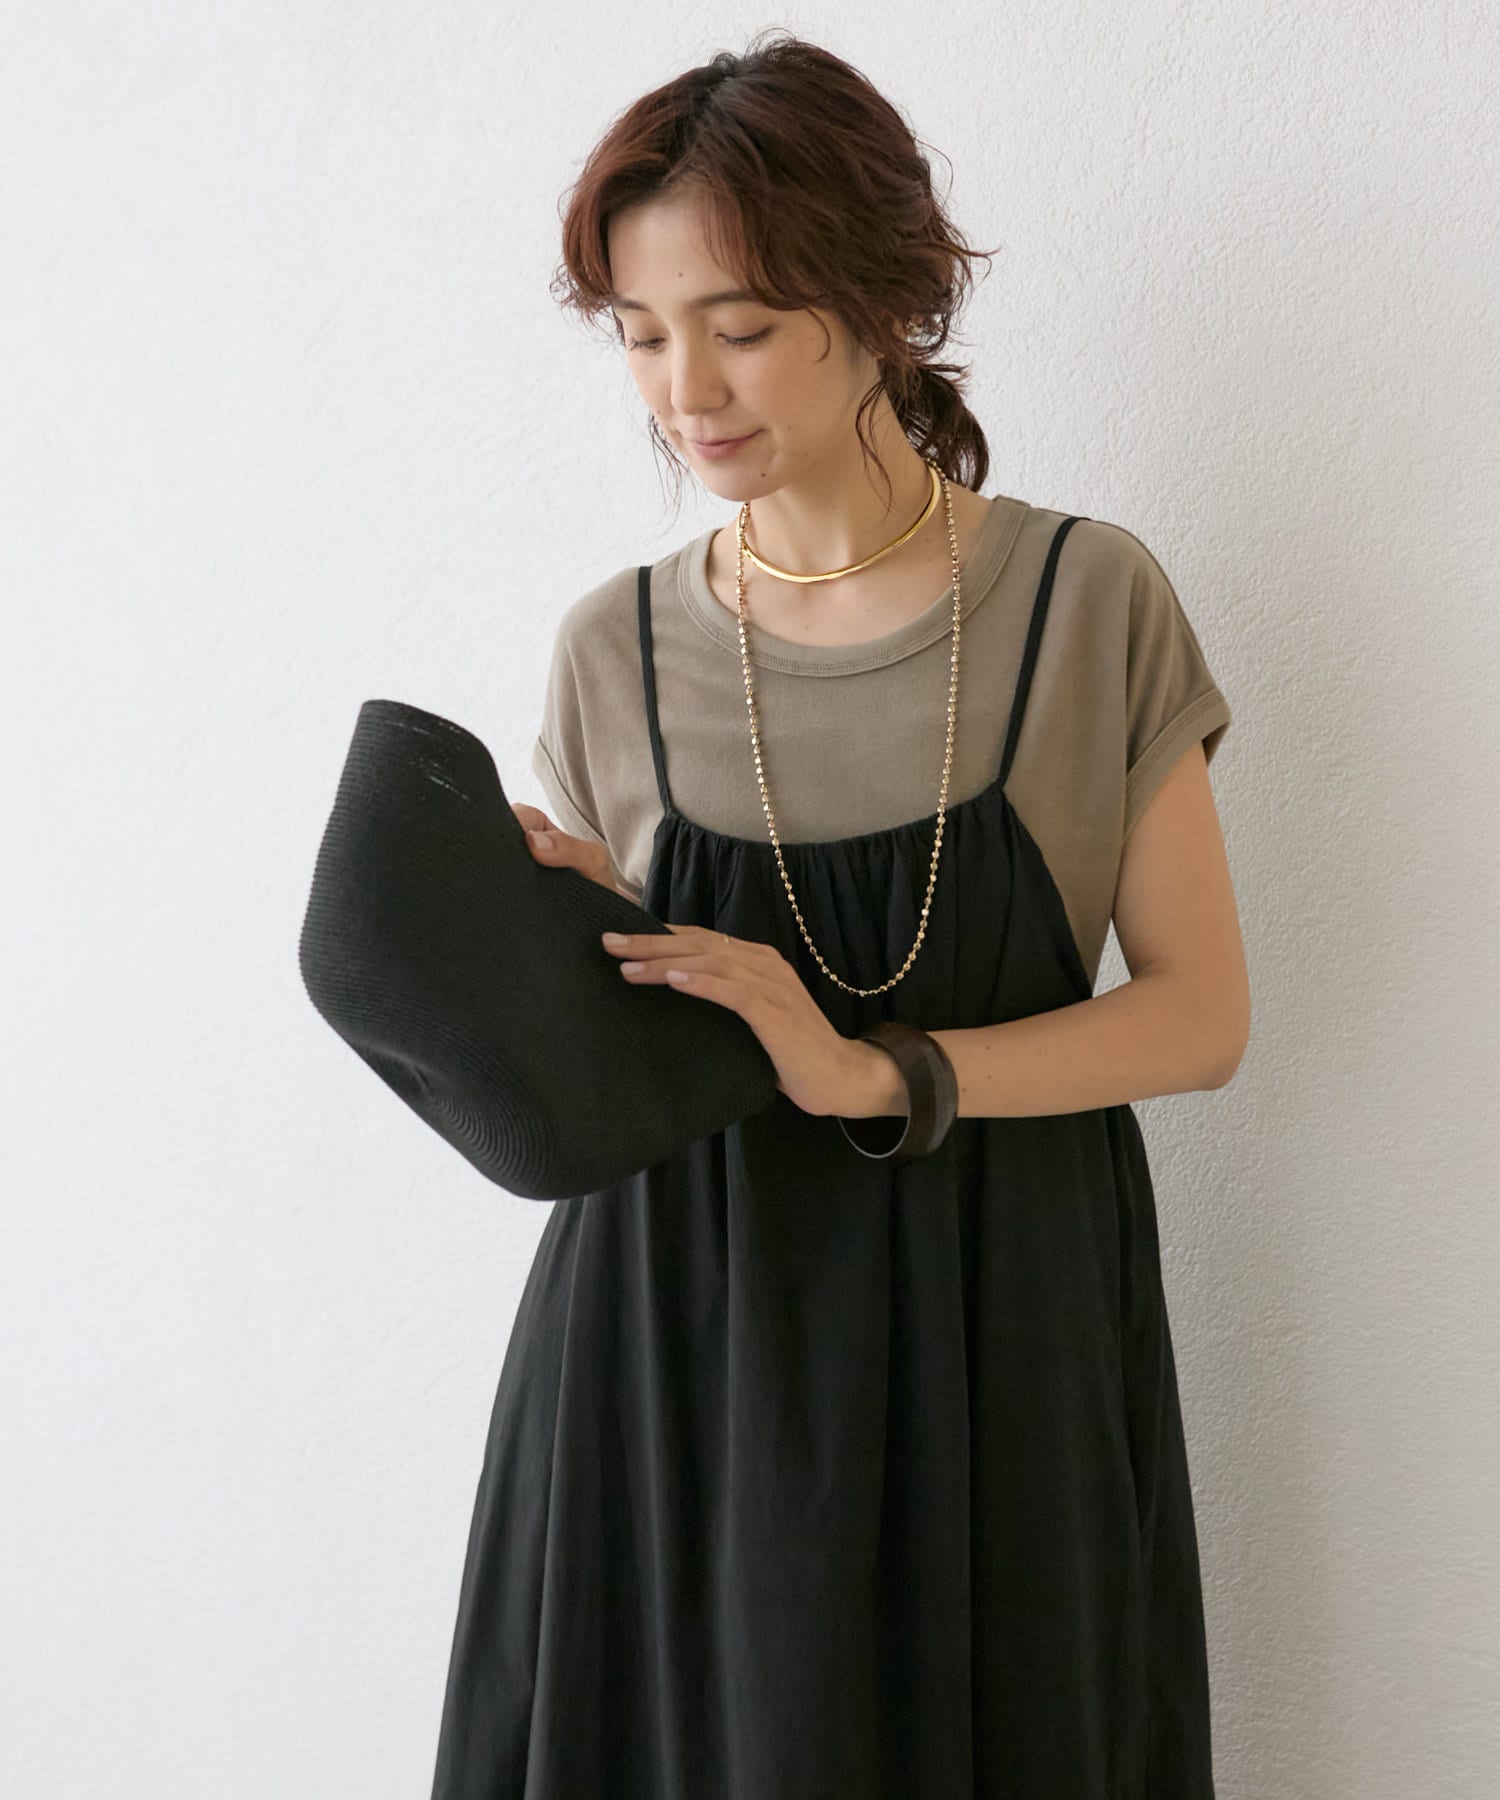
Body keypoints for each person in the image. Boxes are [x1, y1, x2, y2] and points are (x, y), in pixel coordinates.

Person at [430, 31, 1249, 1800]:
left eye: (737, 326)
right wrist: (567, 947)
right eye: (641, 335)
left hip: (1003, 1325)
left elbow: (1198, 1019)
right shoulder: (614, 647)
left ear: (881, 301)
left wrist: (878, 1072)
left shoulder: (1082, 601)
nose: (685, 390)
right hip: (681, 1345)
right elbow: (632, 1073)